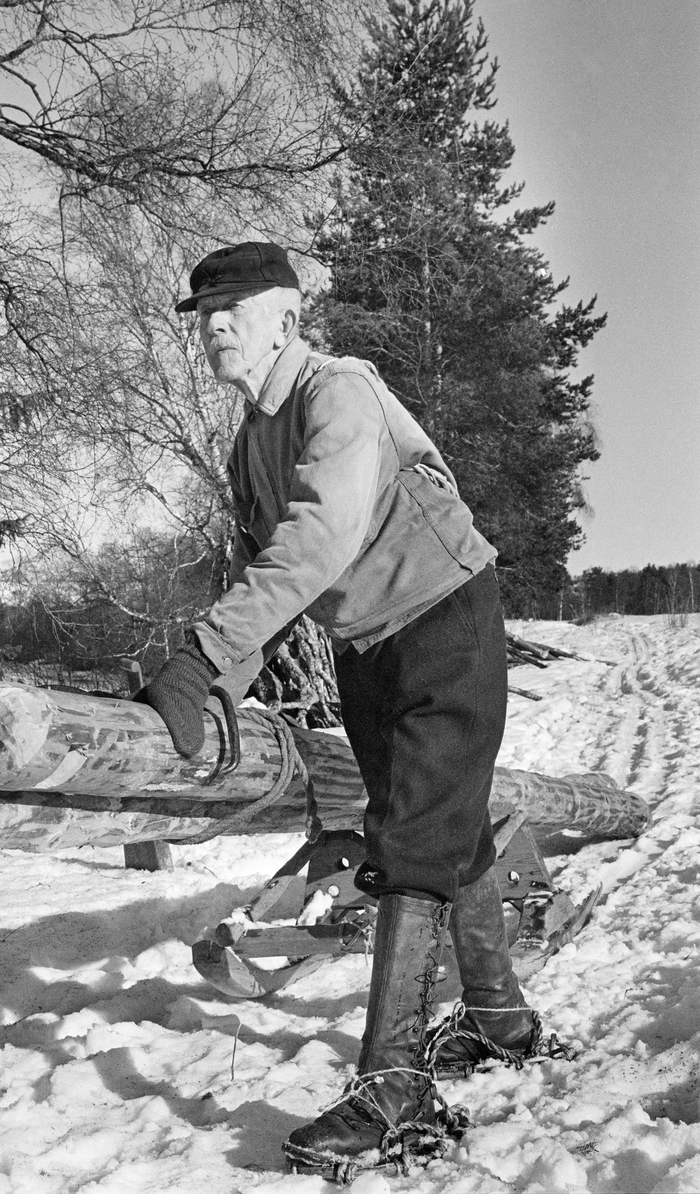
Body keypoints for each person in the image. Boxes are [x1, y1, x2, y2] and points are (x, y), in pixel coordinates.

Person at [139, 241, 547, 1181]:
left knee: (409, 835)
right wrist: (217, 683)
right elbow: (263, 574)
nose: (212, 329)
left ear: (284, 315)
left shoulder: (339, 393)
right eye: (201, 315)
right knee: (447, 827)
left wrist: (203, 654)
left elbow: (320, 537)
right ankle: (499, 1019)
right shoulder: (251, 441)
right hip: (369, 646)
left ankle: (395, 1085)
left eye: (231, 309)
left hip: (446, 616)